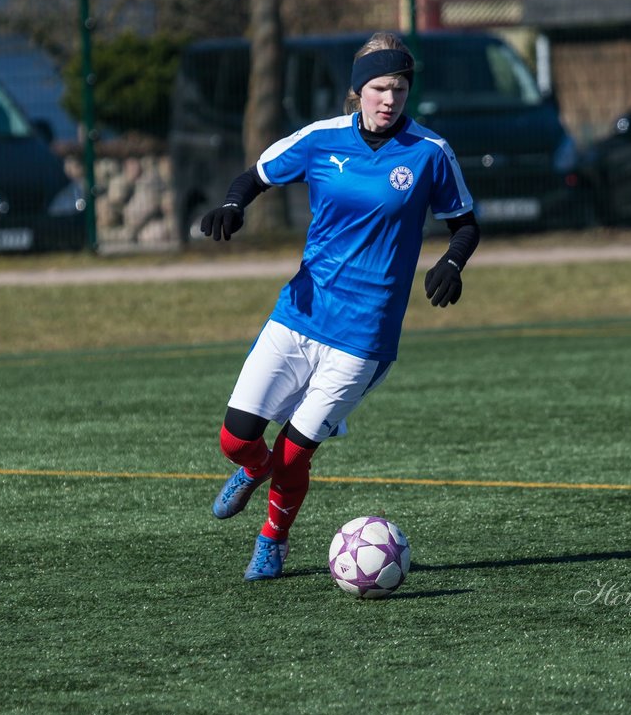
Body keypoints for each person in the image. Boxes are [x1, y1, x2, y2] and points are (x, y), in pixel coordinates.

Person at [200, 31, 480, 581]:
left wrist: (451, 262)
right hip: (299, 313)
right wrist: (233, 205)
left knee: (295, 454)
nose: (388, 100)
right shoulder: (321, 139)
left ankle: (272, 542)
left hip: (364, 336)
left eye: (398, 89)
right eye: (378, 88)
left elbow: (465, 223)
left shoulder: (430, 153)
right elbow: (255, 175)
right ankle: (252, 471)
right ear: (358, 90)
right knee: (236, 438)